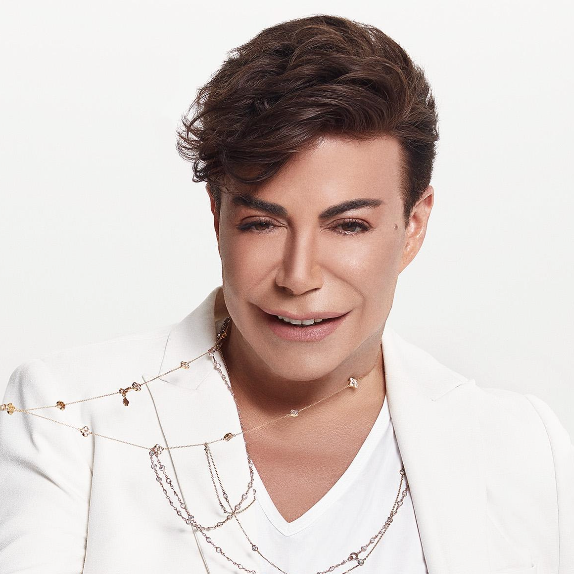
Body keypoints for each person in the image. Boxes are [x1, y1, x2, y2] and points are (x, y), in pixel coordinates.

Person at [0, 14, 572, 574]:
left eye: (348, 226)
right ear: (218, 218)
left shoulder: (519, 447)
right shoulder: (68, 416)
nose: (299, 276)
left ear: (413, 226)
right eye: (262, 224)